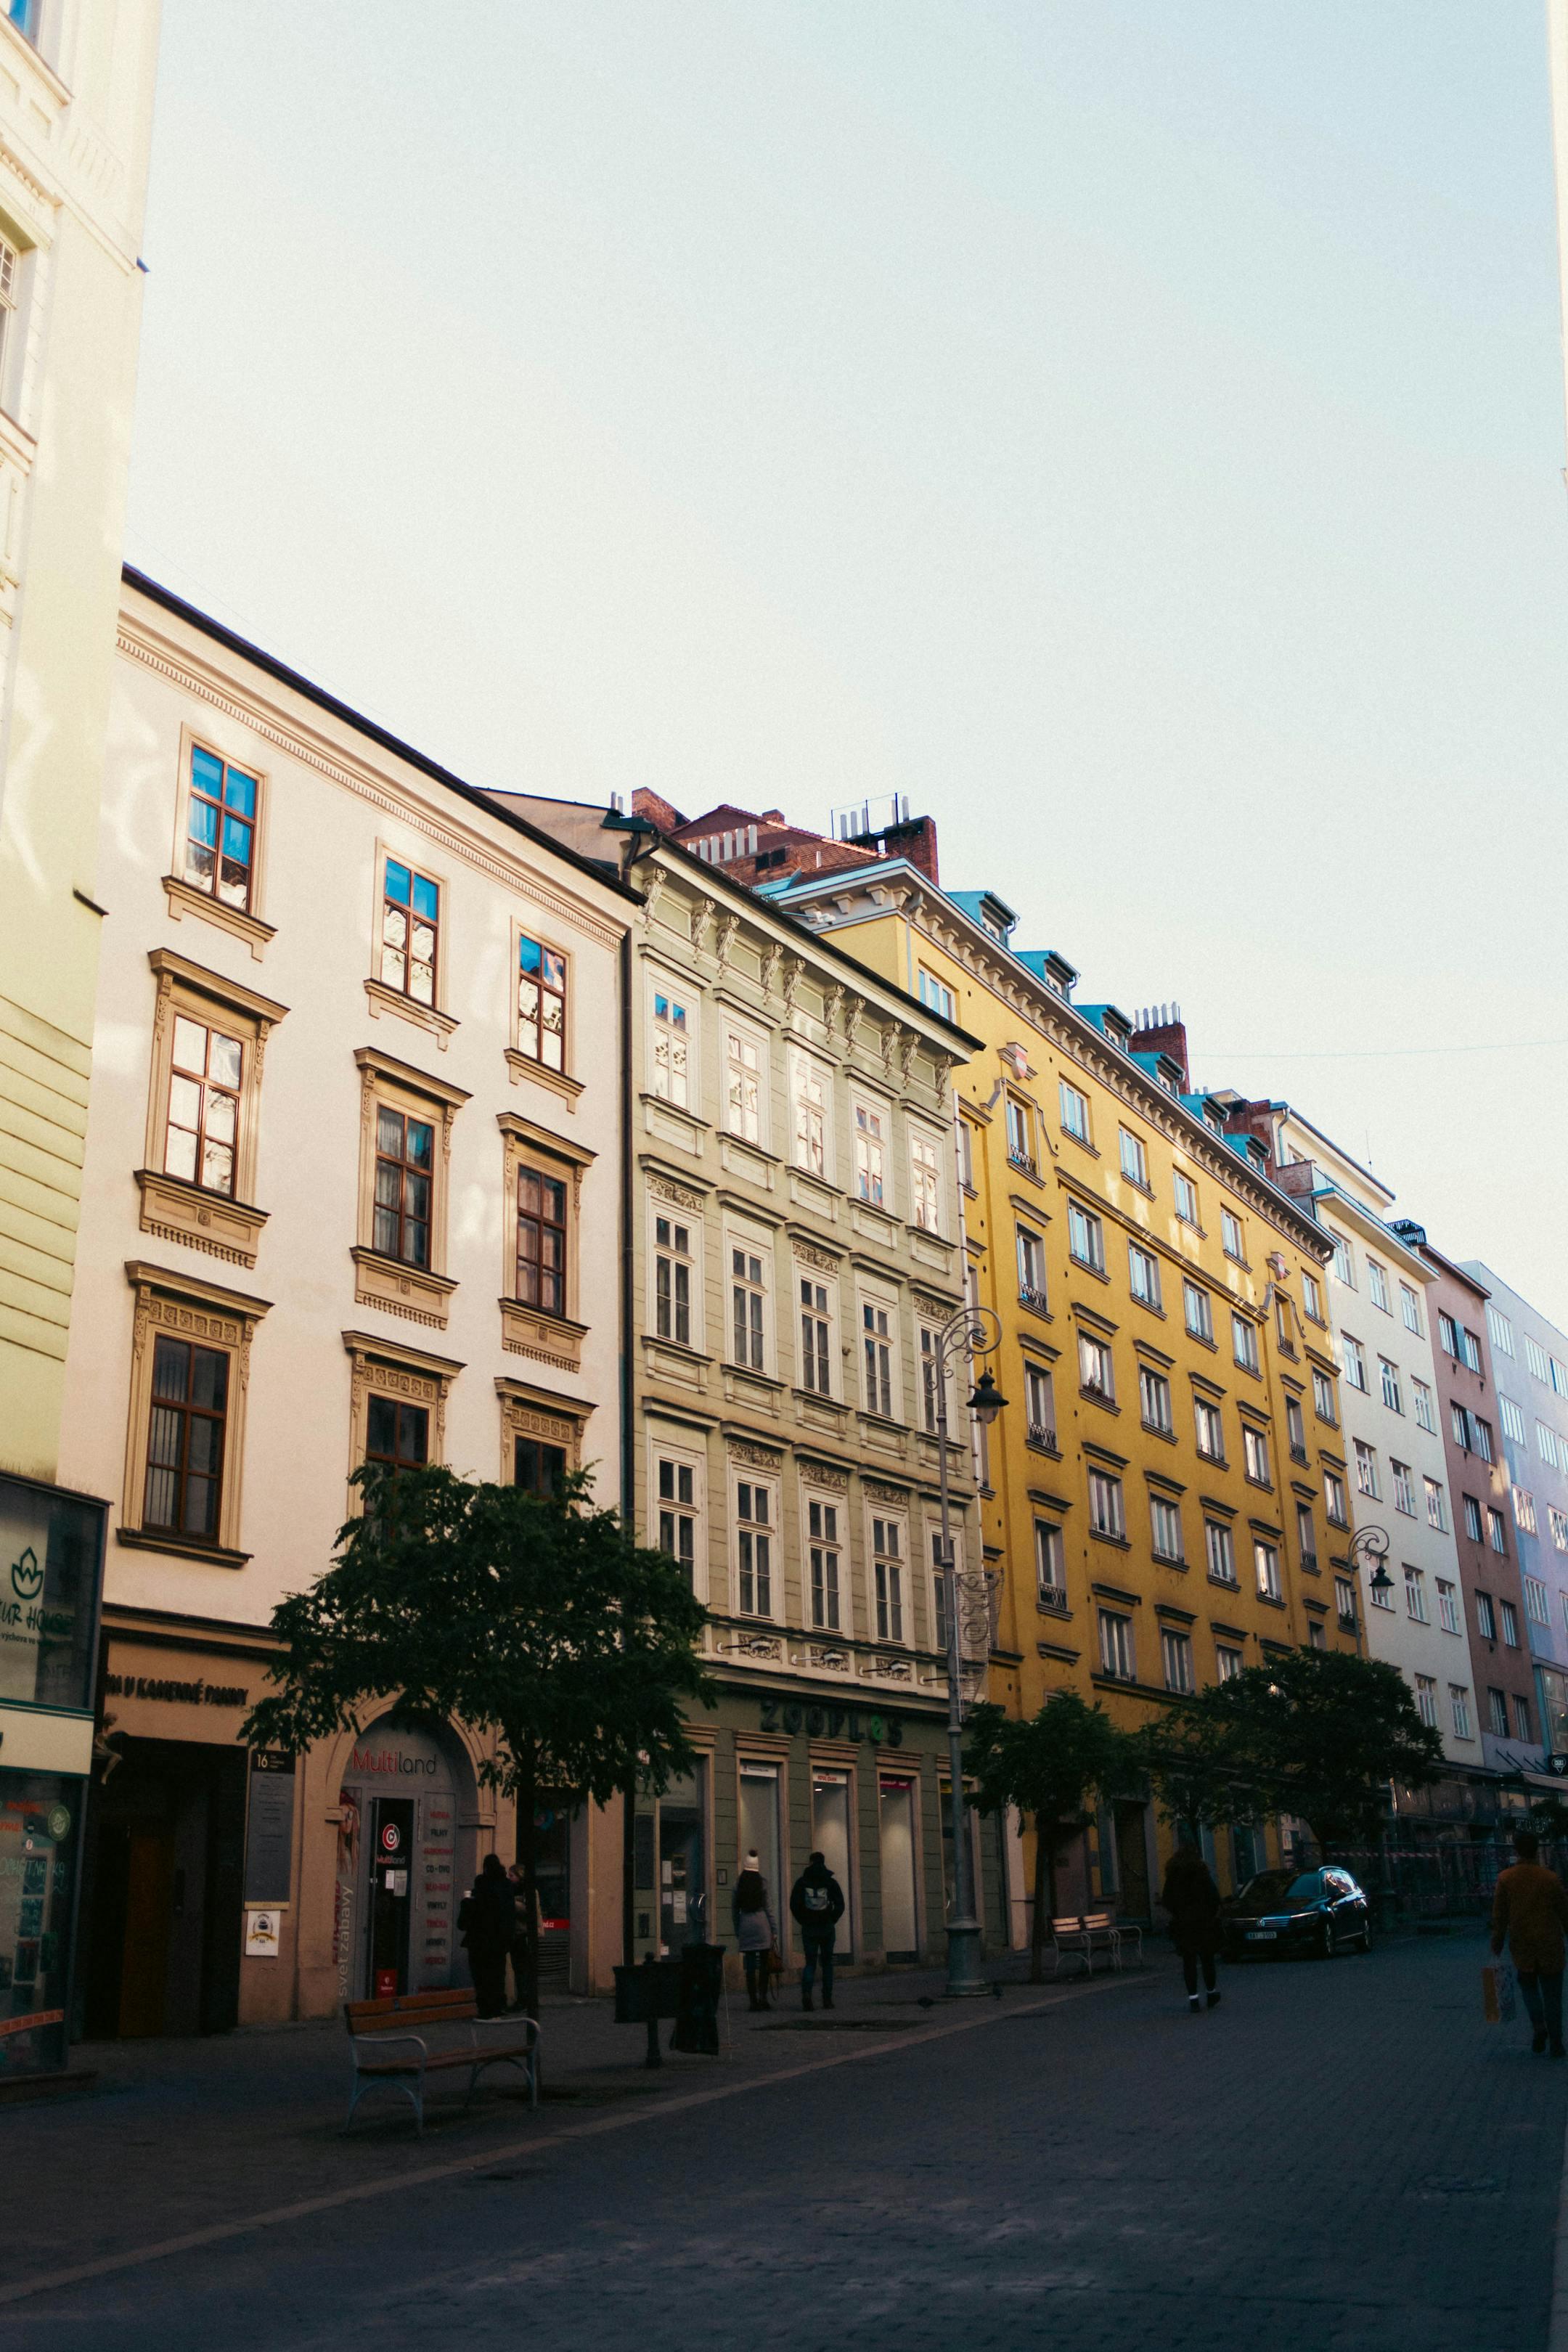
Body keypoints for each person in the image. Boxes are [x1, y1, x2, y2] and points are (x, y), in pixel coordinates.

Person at [1490, 1829, 1568, 2058]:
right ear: (1536, 1850)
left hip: (1522, 1943)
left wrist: (1497, 1942)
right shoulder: (1550, 1879)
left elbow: (1499, 1916)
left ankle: (1538, 2026)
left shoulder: (1506, 1879)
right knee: (1553, 1995)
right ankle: (1557, 2042)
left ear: (1516, 1850)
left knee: (1529, 1988)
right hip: (1550, 1943)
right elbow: (1564, 1912)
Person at [1160, 1837, 1222, 2014]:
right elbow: (1214, 1897)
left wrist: (1178, 1914)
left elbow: (1167, 1899)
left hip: (1183, 1924)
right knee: (1207, 1959)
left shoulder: (1173, 1874)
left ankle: (1193, 1999)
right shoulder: (1201, 1872)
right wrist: (1210, 1914)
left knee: (1189, 1961)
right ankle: (1211, 1993)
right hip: (1203, 1923)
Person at [458, 1853, 516, 2019]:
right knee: (497, 1975)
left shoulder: (480, 1889)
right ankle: (497, 2007)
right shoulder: (506, 1888)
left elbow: (464, 1922)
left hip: (479, 1941)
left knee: (481, 1977)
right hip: (499, 1941)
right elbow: (508, 1916)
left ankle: (485, 2010)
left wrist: (467, 1903)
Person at [789, 1851, 846, 2012]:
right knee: (827, 1964)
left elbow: (794, 1904)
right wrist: (832, 1919)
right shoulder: (830, 1882)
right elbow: (840, 1905)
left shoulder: (802, 1882)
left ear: (811, 1862)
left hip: (809, 1929)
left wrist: (803, 1920)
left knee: (810, 1964)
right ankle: (827, 1999)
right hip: (827, 1928)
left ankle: (807, 1994)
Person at [732, 1848, 777, 2012]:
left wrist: (738, 1929)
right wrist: (774, 1930)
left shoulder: (739, 1884)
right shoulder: (762, 1883)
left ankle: (753, 2001)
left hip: (746, 1923)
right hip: (762, 1925)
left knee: (750, 1967)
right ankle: (763, 1997)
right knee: (764, 1965)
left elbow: (734, 1909)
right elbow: (769, 1909)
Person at [506, 1863, 542, 2014]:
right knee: (519, 1968)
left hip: (525, 1934)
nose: (509, 1878)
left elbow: (530, 1910)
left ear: (520, 1876)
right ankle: (525, 1998)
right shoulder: (514, 1889)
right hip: (517, 1934)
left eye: (512, 1875)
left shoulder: (529, 1891)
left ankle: (525, 2000)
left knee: (523, 1969)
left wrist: (511, 1903)